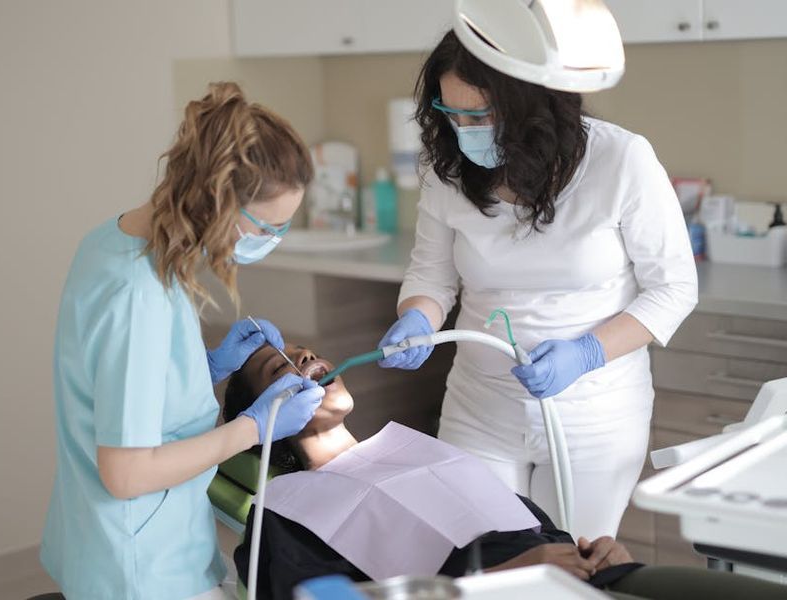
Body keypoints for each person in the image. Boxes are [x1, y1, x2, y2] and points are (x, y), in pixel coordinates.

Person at [376, 31, 699, 539]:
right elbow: (431, 276)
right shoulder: (447, 169)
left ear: (531, 104)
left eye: (480, 116)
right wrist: (417, 316)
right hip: (479, 409)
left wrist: (587, 353)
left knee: (569, 565)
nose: (463, 130)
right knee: (483, 559)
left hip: (593, 416)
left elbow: (674, 288)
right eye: (451, 113)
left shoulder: (620, 160)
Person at [41, 82, 326, 600]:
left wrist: (206, 367)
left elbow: (121, 385)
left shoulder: (115, 243)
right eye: (270, 227)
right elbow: (126, 473)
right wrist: (254, 427)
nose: (273, 241)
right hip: (140, 568)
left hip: (118, 542)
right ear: (221, 201)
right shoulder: (138, 294)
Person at [223, 343, 785, 600]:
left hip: (593, 580)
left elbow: (534, 530)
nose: (305, 360)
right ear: (260, 419)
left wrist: (595, 549)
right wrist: (503, 578)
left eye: (305, 351)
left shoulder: (417, 450)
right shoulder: (283, 513)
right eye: (280, 368)